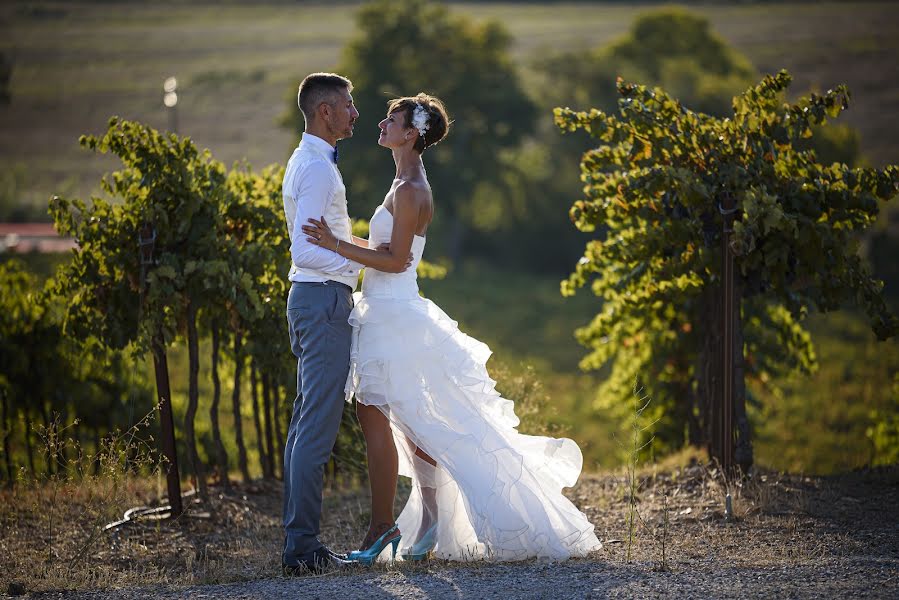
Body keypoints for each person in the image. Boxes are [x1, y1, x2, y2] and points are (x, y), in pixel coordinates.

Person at [303, 93, 602, 563]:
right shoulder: (403, 181)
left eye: (392, 119)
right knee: (414, 425)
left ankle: (383, 528)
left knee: (380, 416)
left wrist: (336, 245)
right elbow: (384, 248)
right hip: (386, 308)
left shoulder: (411, 190)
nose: (380, 123)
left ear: (411, 133)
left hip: (393, 314)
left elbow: (396, 260)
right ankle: (426, 519)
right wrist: (341, 240)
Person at [280, 72, 363, 575]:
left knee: (304, 427)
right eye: (349, 104)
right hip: (322, 302)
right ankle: (303, 549)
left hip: (314, 301)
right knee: (315, 431)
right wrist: (354, 266)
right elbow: (304, 247)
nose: (355, 112)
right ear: (325, 111)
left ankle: (299, 543)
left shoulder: (311, 160)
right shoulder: (315, 168)